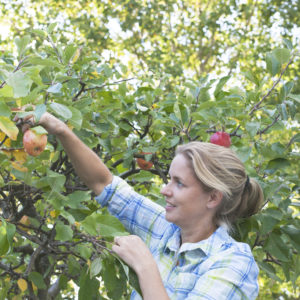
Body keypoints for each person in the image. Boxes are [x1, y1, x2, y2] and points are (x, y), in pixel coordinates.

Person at [19, 112, 264, 300]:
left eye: (179, 183)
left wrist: (145, 266)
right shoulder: (164, 228)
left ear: (213, 198)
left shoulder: (233, 261)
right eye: (169, 179)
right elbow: (104, 183)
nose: (164, 190)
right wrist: (61, 129)